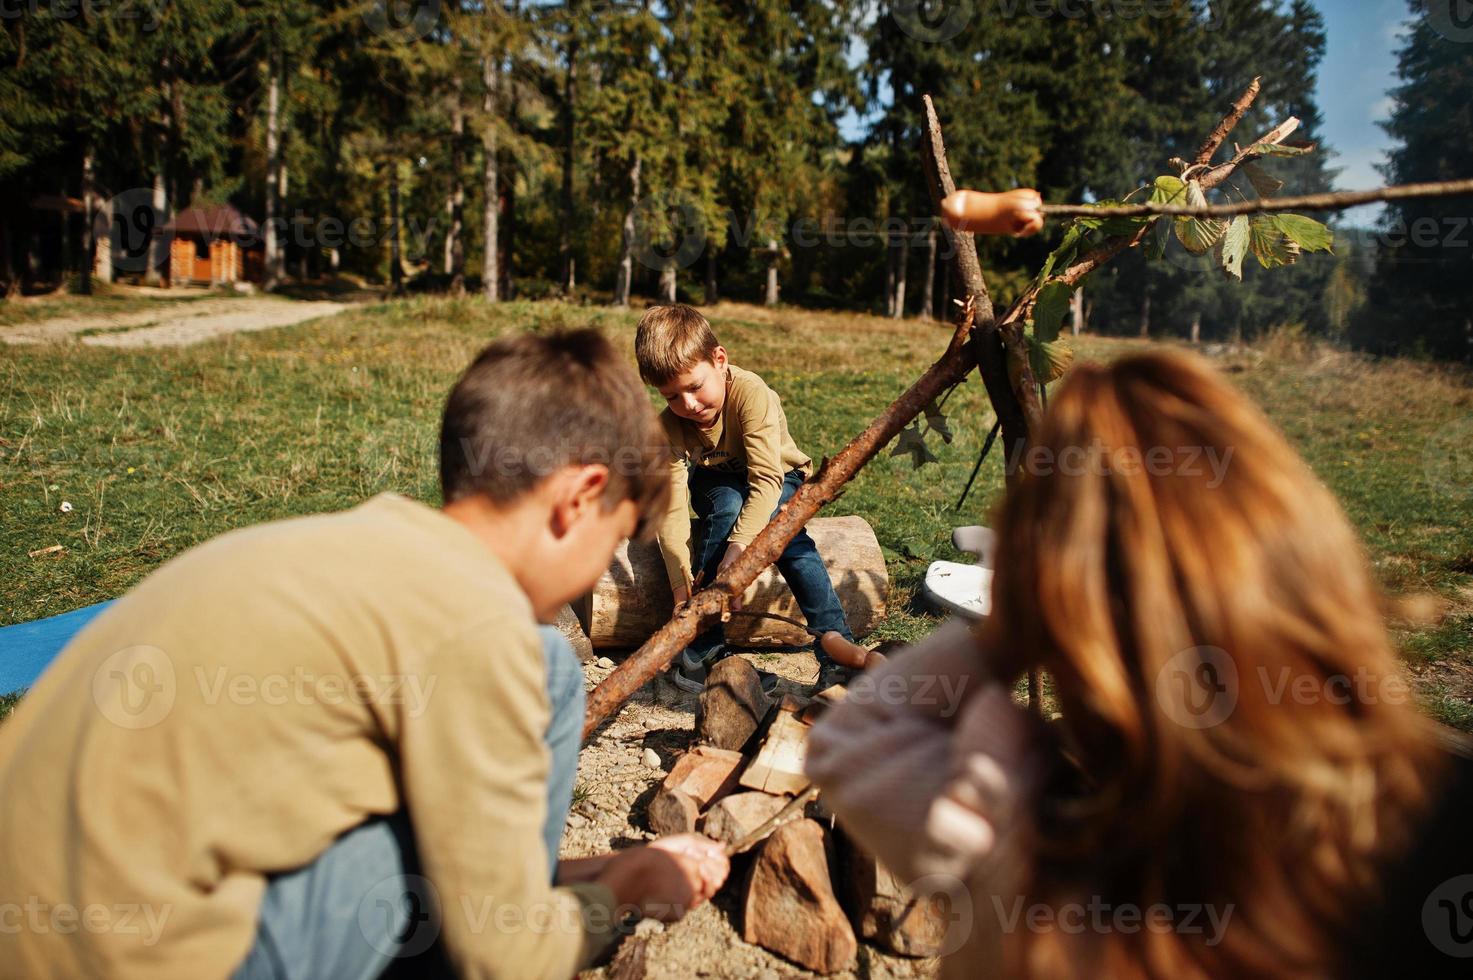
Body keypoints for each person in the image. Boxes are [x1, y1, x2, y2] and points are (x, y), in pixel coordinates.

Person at [0, 329, 729, 980]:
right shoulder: (482, 627)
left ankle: (529, 890)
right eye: (614, 540)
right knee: (551, 672)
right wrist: (631, 881)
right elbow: (505, 961)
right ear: (578, 499)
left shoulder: (323, 547)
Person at [807, 349, 1465, 978]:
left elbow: (851, 740)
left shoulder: (1015, 830)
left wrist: (1012, 618)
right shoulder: (1411, 813)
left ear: (1057, 619)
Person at [633, 304, 857, 693]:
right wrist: (681, 588)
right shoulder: (669, 427)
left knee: (792, 543)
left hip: (777, 475)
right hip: (716, 480)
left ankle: (838, 655)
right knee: (729, 506)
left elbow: (767, 478)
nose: (688, 405)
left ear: (719, 360)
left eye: (695, 386)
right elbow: (669, 508)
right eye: (671, 397)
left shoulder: (751, 394)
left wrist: (738, 551)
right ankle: (701, 653)